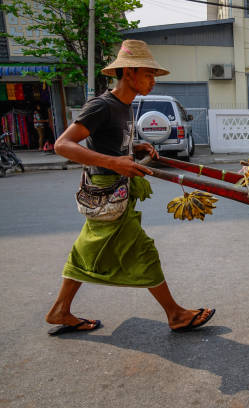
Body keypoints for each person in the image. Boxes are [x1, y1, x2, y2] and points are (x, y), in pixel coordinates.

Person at [45, 39, 214, 335]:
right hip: (106, 192)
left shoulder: (126, 106)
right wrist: (114, 163)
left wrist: (135, 147)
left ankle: (60, 309)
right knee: (143, 250)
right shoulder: (102, 105)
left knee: (85, 251)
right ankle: (175, 314)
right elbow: (63, 145)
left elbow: (108, 141)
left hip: (117, 191)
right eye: (148, 74)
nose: (152, 81)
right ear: (130, 72)